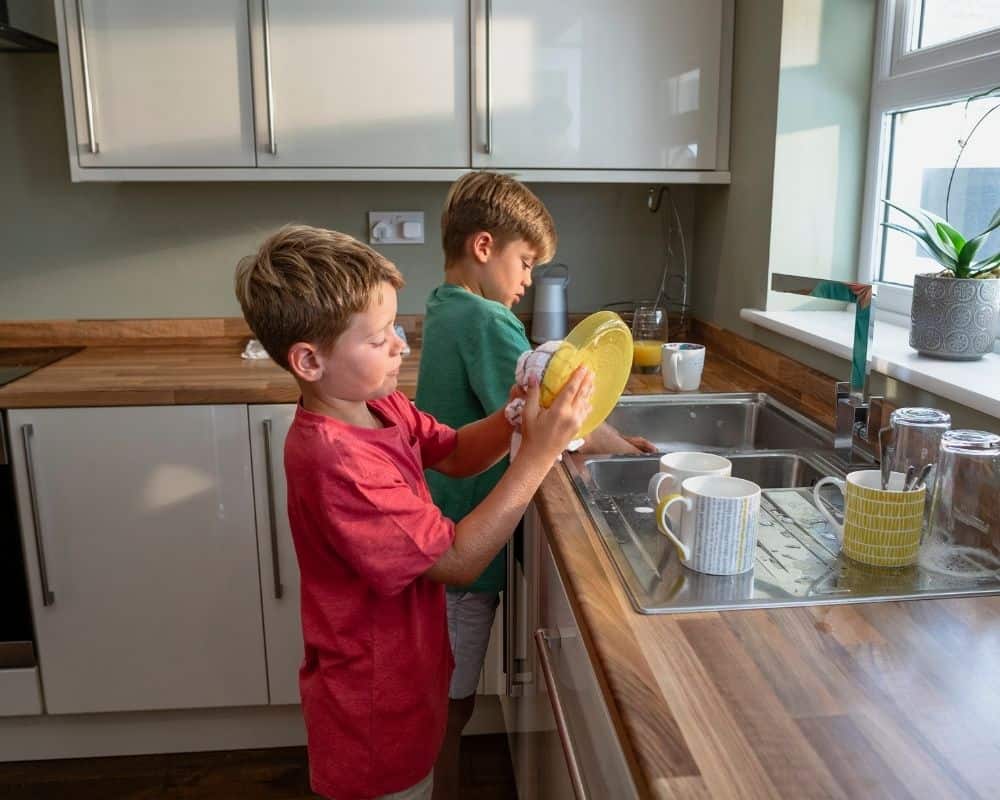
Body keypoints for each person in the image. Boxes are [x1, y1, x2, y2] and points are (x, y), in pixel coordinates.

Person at [234, 224, 593, 800]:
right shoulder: (336, 460)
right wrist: (539, 456)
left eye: (395, 327)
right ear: (309, 360)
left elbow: (451, 452)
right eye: (378, 339)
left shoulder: (378, 404)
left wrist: (517, 416)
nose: (401, 344)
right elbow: (454, 559)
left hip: (408, 680)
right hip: (372, 711)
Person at [416, 171, 655, 799]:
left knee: (443, 697)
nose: (527, 282)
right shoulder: (488, 322)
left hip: (443, 519)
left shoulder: (445, 306)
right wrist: (623, 447)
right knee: (451, 703)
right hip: (468, 537)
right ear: (485, 247)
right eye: (526, 263)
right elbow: (553, 418)